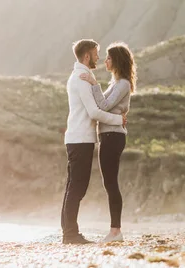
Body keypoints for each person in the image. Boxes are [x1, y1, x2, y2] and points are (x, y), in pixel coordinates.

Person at [61, 39, 126, 245]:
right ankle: (70, 234)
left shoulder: (81, 76)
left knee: (73, 186)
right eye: (97, 53)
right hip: (80, 139)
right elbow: (95, 111)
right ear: (87, 55)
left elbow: (99, 105)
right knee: (77, 187)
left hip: (78, 138)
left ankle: (69, 232)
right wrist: (119, 120)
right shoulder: (81, 77)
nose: (99, 57)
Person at [79, 42, 136, 243]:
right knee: (109, 183)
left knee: (111, 183)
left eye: (109, 58)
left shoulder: (123, 84)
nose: (105, 61)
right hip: (108, 135)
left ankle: (115, 231)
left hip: (113, 136)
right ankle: (114, 230)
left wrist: (94, 84)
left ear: (117, 60)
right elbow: (99, 105)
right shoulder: (116, 83)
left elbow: (102, 105)